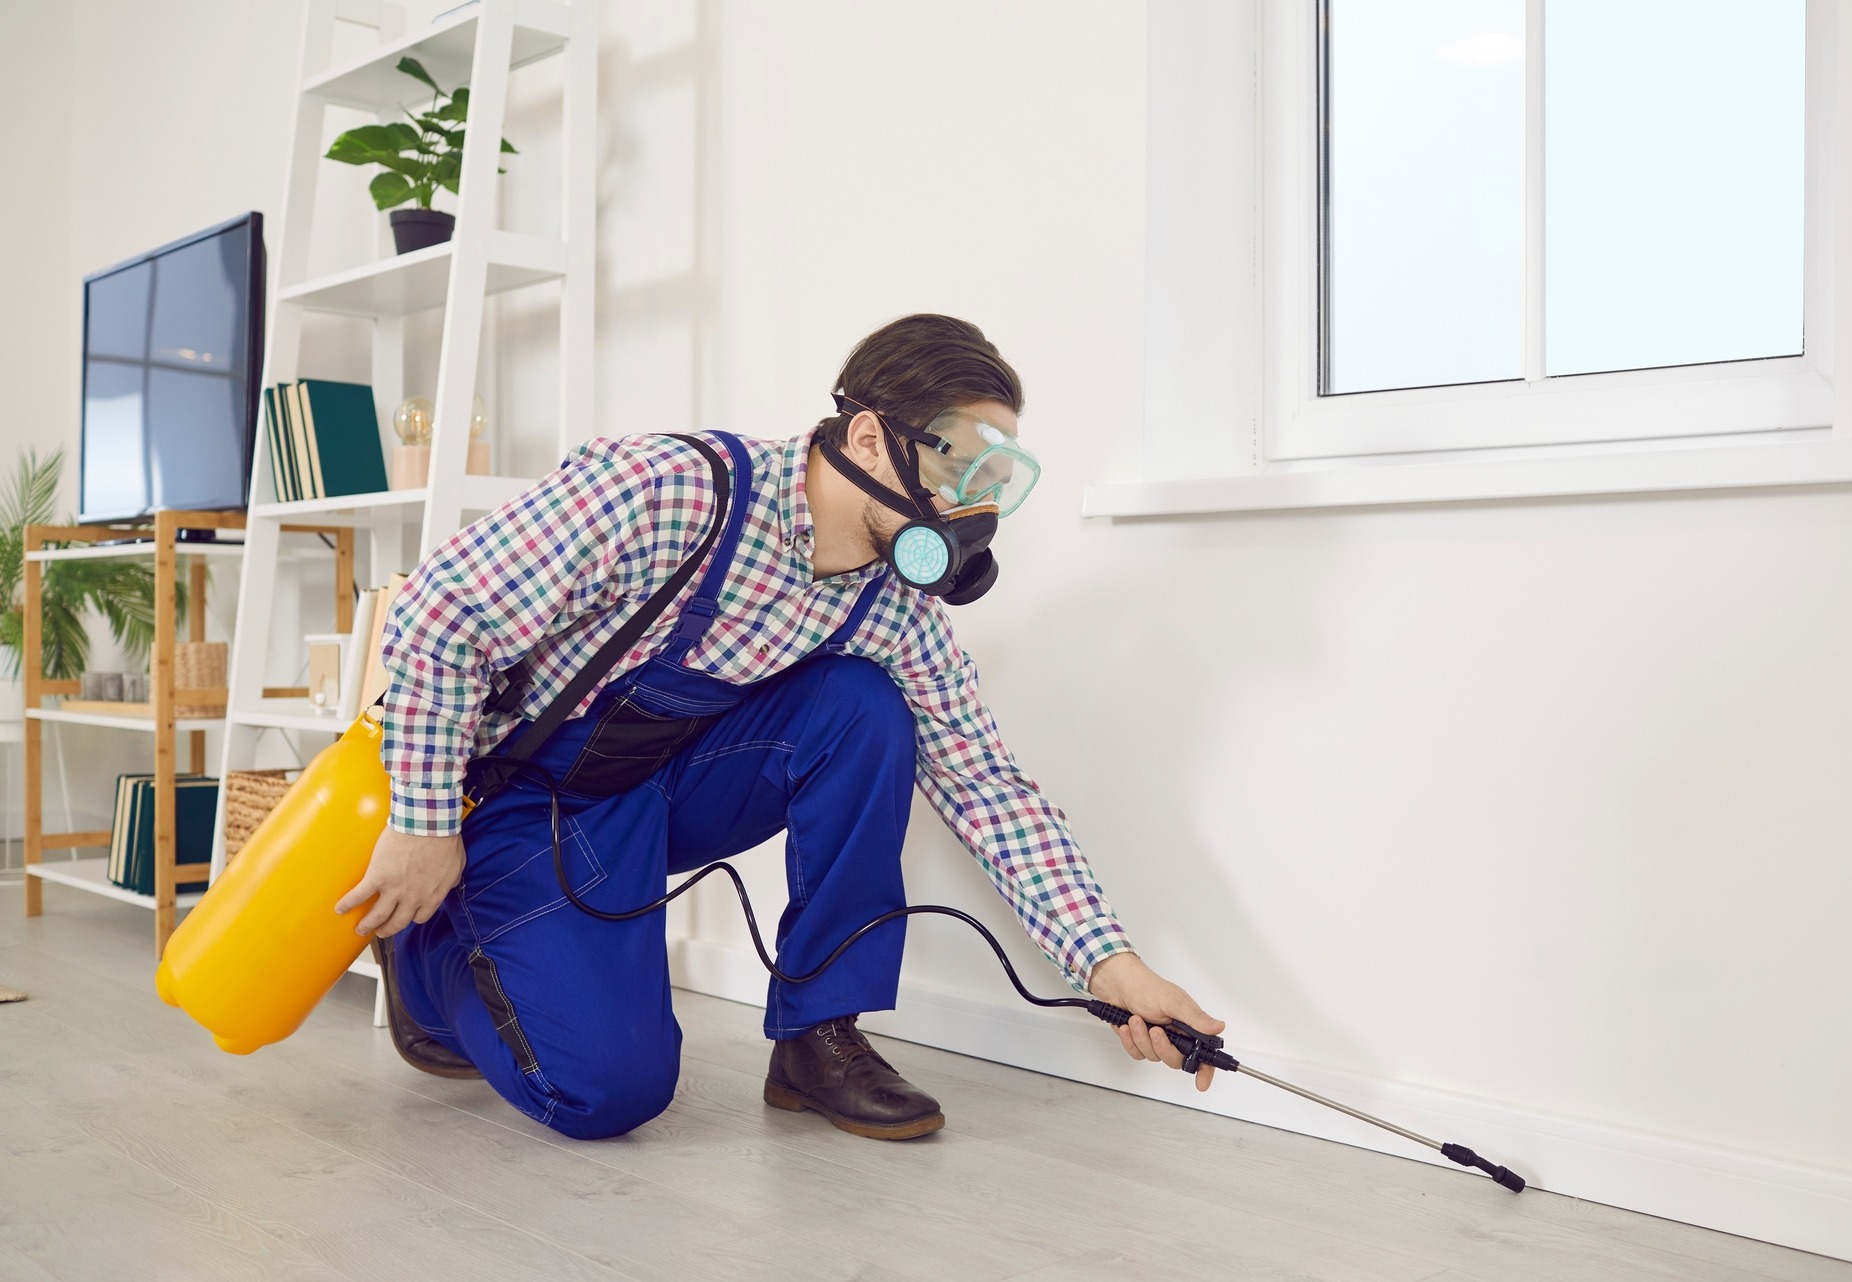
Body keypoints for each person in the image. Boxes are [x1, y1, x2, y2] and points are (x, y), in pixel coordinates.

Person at [335, 314, 1224, 1141]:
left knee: (861, 706)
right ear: (871, 436)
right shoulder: (670, 492)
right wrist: (422, 823)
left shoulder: (892, 607)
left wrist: (1116, 973)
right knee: (605, 1093)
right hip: (521, 799)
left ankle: (816, 1037)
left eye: (993, 483)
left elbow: (987, 788)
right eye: (961, 466)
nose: (968, 505)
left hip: (656, 791)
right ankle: (427, 954)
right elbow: (439, 615)